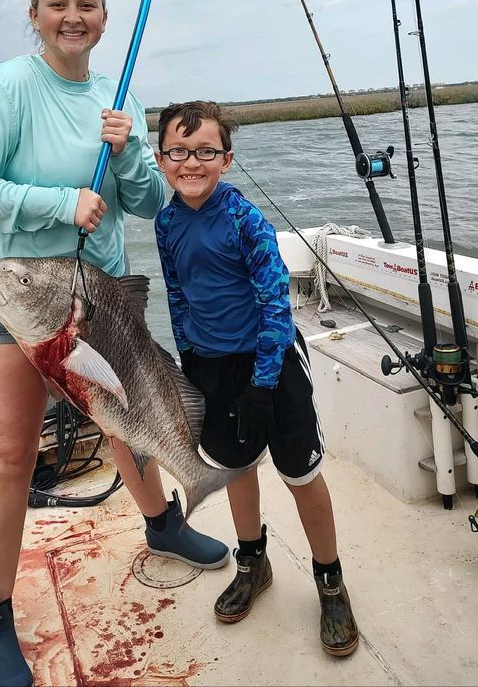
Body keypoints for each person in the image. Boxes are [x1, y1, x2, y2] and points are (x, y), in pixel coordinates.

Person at [0, 0, 229, 687]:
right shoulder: (5, 89)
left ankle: (162, 523)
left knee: (124, 416)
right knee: (7, 456)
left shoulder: (112, 92)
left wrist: (130, 152)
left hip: (96, 295)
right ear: (35, 13)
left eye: (88, 4)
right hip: (16, 298)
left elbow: (147, 202)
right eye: (59, 3)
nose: (74, 15)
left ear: (104, 17)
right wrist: (58, 204)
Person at [153, 99, 359, 657]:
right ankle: (253, 562)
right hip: (210, 369)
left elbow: (276, 306)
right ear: (161, 157)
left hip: (272, 366)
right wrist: (188, 361)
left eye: (205, 152)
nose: (191, 163)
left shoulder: (247, 221)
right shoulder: (166, 222)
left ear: (227, 158)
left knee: (300, 474)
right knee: (236, 468)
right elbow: (177, 295)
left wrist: (265, 382)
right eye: (178, 151)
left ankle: (330, 579)